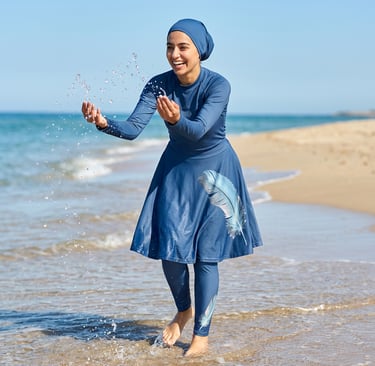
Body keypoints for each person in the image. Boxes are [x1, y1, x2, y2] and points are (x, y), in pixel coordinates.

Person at [81, 18, 263, 357]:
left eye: (183, 47)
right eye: (169, 47)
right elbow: (134, 128)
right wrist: (104, 123)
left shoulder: (218, 85)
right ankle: (183, 309)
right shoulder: (158, 85)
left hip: (216, 173)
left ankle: (201, 337)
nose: (174, 54)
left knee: (207, 257)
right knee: (171, 250)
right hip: (176, 172)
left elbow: (198, 129)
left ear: (199, 50)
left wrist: (177, 119)